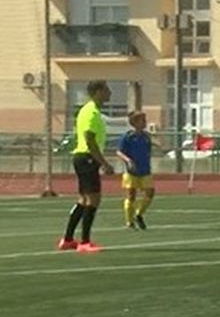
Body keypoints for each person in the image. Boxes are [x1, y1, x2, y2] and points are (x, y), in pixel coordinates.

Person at [58, 80, 116, 252]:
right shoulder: (91, 112)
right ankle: (84, 242)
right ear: (98, 92)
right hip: (87, 157)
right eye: (107, 89)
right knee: (94, 199)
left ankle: (68, 239)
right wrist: (103, 163)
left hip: (82, 157)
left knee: (83, 200)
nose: (110, 93)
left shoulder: (89, 110)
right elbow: (90, 139)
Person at [116, 110, 155, 231]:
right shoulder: (128, 137)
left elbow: (148, 150)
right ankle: (129, 222)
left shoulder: (146, 137)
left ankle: (139, 214)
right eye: (142, 120)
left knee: (150, 192)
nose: (145, 122)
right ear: (134, 123)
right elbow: (119, 152)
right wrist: (128, 160)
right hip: (131, 171)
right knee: (131, 195)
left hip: (145, 170)